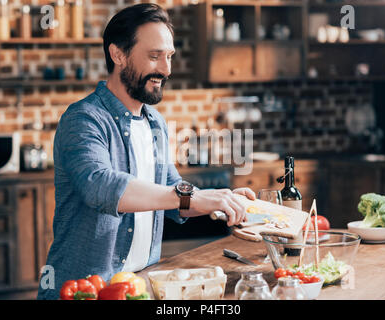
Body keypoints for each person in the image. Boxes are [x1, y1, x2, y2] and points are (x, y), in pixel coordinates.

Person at [37, 3, 255, 300]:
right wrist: (192, 196)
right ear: (118, 55)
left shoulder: (155, 123)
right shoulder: (83, 119)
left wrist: (220, 200)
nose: (166, 70)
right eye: (154, 56)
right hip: (83, 291)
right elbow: (101, 186)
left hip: (139, 288)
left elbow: (171, 193)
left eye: (169, 57)